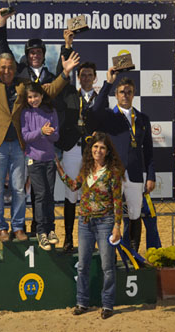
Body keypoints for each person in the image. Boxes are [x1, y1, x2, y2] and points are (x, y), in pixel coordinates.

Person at [0, 21, 79, 242]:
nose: (7, 71)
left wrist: (65, 73)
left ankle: (18, 226)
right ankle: (1, 227)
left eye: (10, 67)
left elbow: (48, 90)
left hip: (21, 146)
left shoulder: (24, 84)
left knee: (20, 188)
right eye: (2, 67)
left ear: (15, 68)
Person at [0, 8, 57, 234]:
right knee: (20, 186)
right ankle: (18, 225)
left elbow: (61, 83)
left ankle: (39, 226)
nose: (35, 55)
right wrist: (1, 24)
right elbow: (3, 50)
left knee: (41, 190)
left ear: (43, 53)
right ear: (26, 54)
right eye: (31, 52)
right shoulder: (18, 71)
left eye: (38, 52)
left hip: (42, 141)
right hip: (21, 136)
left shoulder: (50, 77)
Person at [56, 131, 124, 319]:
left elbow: (118, 201)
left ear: (108, 151)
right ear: (90, 149)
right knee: (82, 265)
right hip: (85, 222)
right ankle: (82, 302)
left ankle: (108, 305)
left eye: (102, 148)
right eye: (95, 147)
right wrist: (59, 168)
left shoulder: (113, 172)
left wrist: (117, 226)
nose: (98, 150)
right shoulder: (85, 169)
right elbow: (74, 186)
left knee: (107, 266)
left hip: (106, 223)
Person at [54, 30, 109, 253]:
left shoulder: (101, 100)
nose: (85, 78)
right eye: (82, 75)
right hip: (71, 151)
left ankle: (91, 240)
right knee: (71, 194)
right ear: (78, 77)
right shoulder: (69, 94)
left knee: (92, 196)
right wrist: (67, 45)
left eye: (89, 75)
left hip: (93, 154)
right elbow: (61, 71)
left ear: (95, 78)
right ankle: (68, 238)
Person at [91, 70, 156, 254]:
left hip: (135, 173)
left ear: (134, 93)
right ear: (116, 95)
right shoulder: (109, 116)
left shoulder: (143, 119)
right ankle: (108, 255)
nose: (125, 95)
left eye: (129, 92)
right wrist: (108, 83)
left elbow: (149, 150)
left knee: (135, 214)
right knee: (110, 215)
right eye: (121, 92)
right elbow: (95, 110)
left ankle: (133, 254)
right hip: (113, 172)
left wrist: (150, 175)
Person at [20, 82, 59, 250]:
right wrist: (41, 132)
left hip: (50, 160)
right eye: (29, 97)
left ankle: (51, 230)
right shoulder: (25, 113)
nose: (33, 99)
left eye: (36, 96)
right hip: (33, 160)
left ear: (42, 96)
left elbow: (56, 136)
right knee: (41, 195)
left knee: (49, 194)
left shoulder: (51, 112)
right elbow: (26, 136)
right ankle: (41, 231)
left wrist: (50, 134)